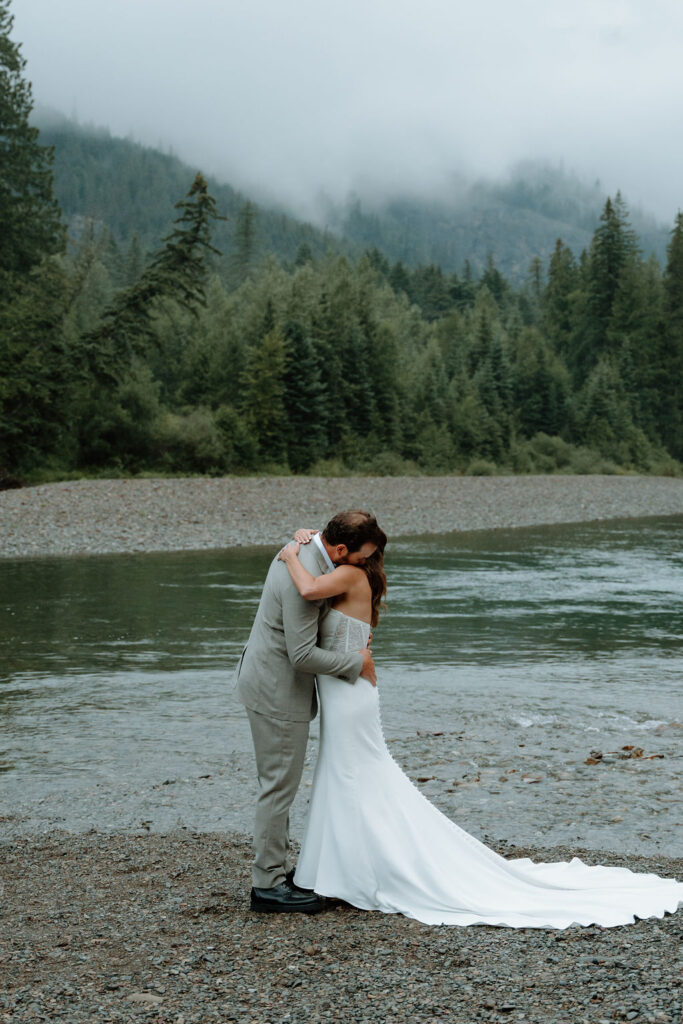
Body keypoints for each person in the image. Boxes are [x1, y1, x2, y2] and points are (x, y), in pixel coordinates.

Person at [277, 531, 683, 929]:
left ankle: (360, 871)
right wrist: (304, 538)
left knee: (353, 773)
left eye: (367, 554)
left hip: (349, 692)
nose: (363, 559)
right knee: (343, 773)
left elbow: (310, 590)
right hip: (343, 687)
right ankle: (339, 868)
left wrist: (291, 554)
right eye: (361, 552)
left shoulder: (351, 575)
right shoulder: (348, 569)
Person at [236, 509, 386, 914]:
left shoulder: (307, 548)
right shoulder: (301, 567)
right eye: (360, 557)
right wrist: (358, 663)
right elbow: (301, 655)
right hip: (276, 690)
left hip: (270, 680)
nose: (364, 565)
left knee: (279, 782)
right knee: (278, 786)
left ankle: (276, 871)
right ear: (339, 548)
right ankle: (267, 887)